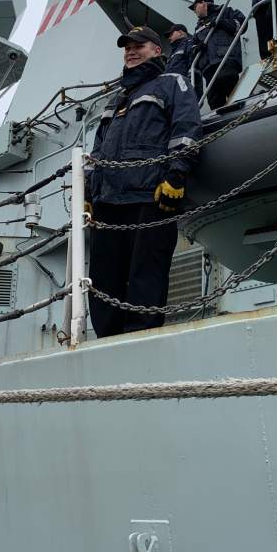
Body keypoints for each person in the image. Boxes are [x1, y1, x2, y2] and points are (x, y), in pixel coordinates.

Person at [86, 26, 203, 338]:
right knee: (103, 277)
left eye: (139, 45)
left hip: (150, 196)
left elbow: (186, 128)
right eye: (127, 47)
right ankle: (106, 339)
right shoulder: (116, 100)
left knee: (146, 272)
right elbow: (98, 151)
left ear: (157, 51)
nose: (131, 51)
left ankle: (141, 337)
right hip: (108, 200)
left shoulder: (170, 83)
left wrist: (176, 175)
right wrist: (89, 193)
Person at [188, 0, 246, 110]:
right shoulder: (198, 27)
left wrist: (222, 22)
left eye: (195, 7)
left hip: (225, 61)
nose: (195, 11)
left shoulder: (226, 12)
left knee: (232, 93)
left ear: (203, 3)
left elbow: (242, 25)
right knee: (214, 102)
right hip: (209, 68)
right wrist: (197, 48)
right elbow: (192, 48)